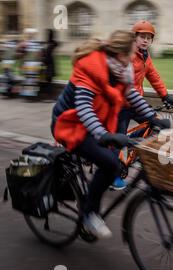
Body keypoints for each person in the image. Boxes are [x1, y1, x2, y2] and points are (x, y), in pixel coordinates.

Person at [51, 30, 161, 239]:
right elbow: (84, 108)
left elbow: (132, 97)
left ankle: (88, 200)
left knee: (113, 162)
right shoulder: (91, 67)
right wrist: (103, 135)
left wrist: (153, 118)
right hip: (68, 124)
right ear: (121, 54)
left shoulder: (120, 71)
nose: (133, 57)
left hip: (91, 124)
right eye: (132, 52)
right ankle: (89, 214)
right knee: (111, 164)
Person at [111, 20, 173, 190]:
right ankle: (114, 174)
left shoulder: (146, 57)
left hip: (136, 102)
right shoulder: (129, 55)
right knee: (117, 139)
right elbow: (124, 84)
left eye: (149, 37)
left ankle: (133, 145)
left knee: (155, 124)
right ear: (134, 37)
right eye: (142, 36)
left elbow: (154, 76)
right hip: (121, 104)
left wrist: (165, 95)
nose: (146, 40)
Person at [42, 29, 59, 100]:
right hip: (50, 64)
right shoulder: (51, 44)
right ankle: (50, 96)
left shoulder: (49, 45)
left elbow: (47, 56)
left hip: (49, 65)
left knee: (49, 80)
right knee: (49, 80)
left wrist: (43, 61)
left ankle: (49, 96)